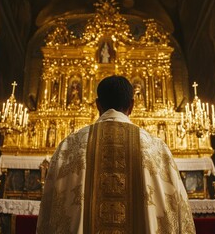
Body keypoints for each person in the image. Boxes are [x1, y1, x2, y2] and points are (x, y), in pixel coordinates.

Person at [36, 75, 195, 233]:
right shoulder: (156, 148)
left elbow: (49, 210)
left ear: (98, 105)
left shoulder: (69, 146)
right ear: (132, 105)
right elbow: (179, 210)